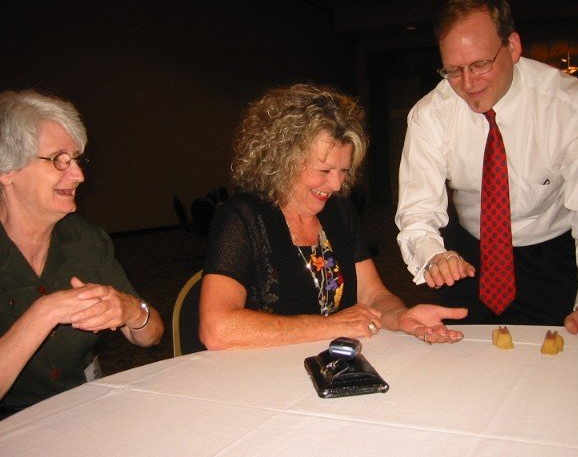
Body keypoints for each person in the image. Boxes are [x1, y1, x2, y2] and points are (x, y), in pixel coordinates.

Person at [395, 0, 578, 343]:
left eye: (480, 64)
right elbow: (417, 211)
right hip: (468, 257)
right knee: (464, 365)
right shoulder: (431, 115)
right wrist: (434, 256)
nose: (468, 84)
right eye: (453, 70)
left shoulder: (571, 107)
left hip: (552, 255)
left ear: (513, 47)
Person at [199, 83, 467, 350]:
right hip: (262, 372)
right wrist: (333, 325)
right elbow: (217, 329)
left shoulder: (339, 210)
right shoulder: (242, 217)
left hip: (333, 361)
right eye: (325, 170)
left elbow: (372, 294)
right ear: (283, 161)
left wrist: (400, 317)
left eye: (343, 171)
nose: (338, 185)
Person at [0, 90, 164, 416]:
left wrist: (133, 310)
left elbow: (152, 334)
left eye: (75, 159)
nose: (78, 175)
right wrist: (45, 312)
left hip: (82, 410)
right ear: (7, 170)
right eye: (59, 159)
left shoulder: (84, 240)